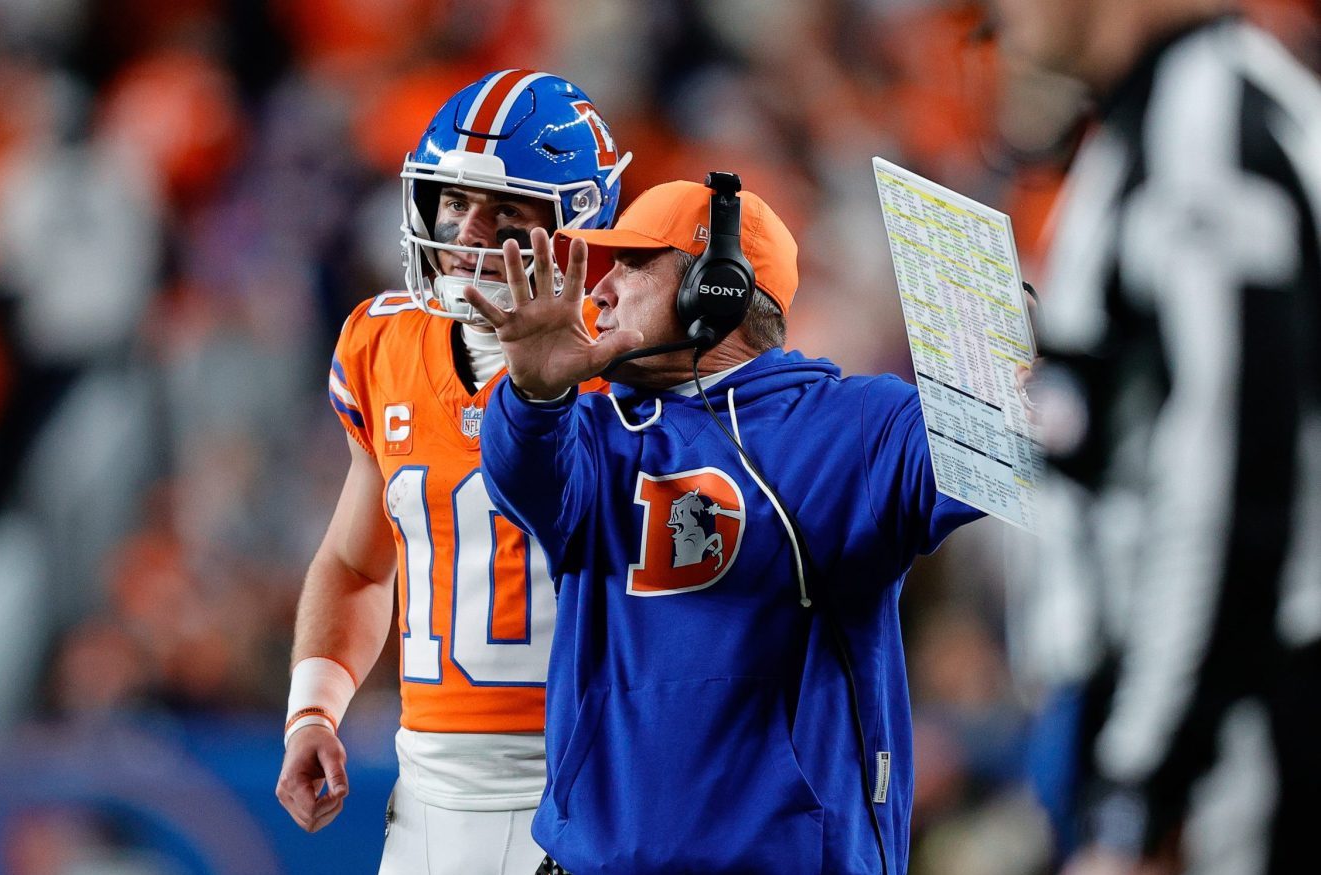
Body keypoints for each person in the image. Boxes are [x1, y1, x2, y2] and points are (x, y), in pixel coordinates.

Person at [463, 177, 982, 874]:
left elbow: (995, 453)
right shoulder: (593, 430)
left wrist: (999, 356)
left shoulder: (856, 427)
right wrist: (534, 392)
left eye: (634, 264)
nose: (602, 291)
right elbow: (520, 474)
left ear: (717, 288)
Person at [991, 1, 1321, 873]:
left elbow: (1233, 475)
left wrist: (1149, 783)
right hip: (1198, 712)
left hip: (1239, 732)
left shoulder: (1202, 127)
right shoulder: (1157, 117)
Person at [273, 69, 629, 873]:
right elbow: (360, 563)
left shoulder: (634, 366)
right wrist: (314, 710)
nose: (466, 231)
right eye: (453, 201)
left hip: (588, 790)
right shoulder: (382, 345)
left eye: (506, 210)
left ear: (577, 225)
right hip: (426, 794)